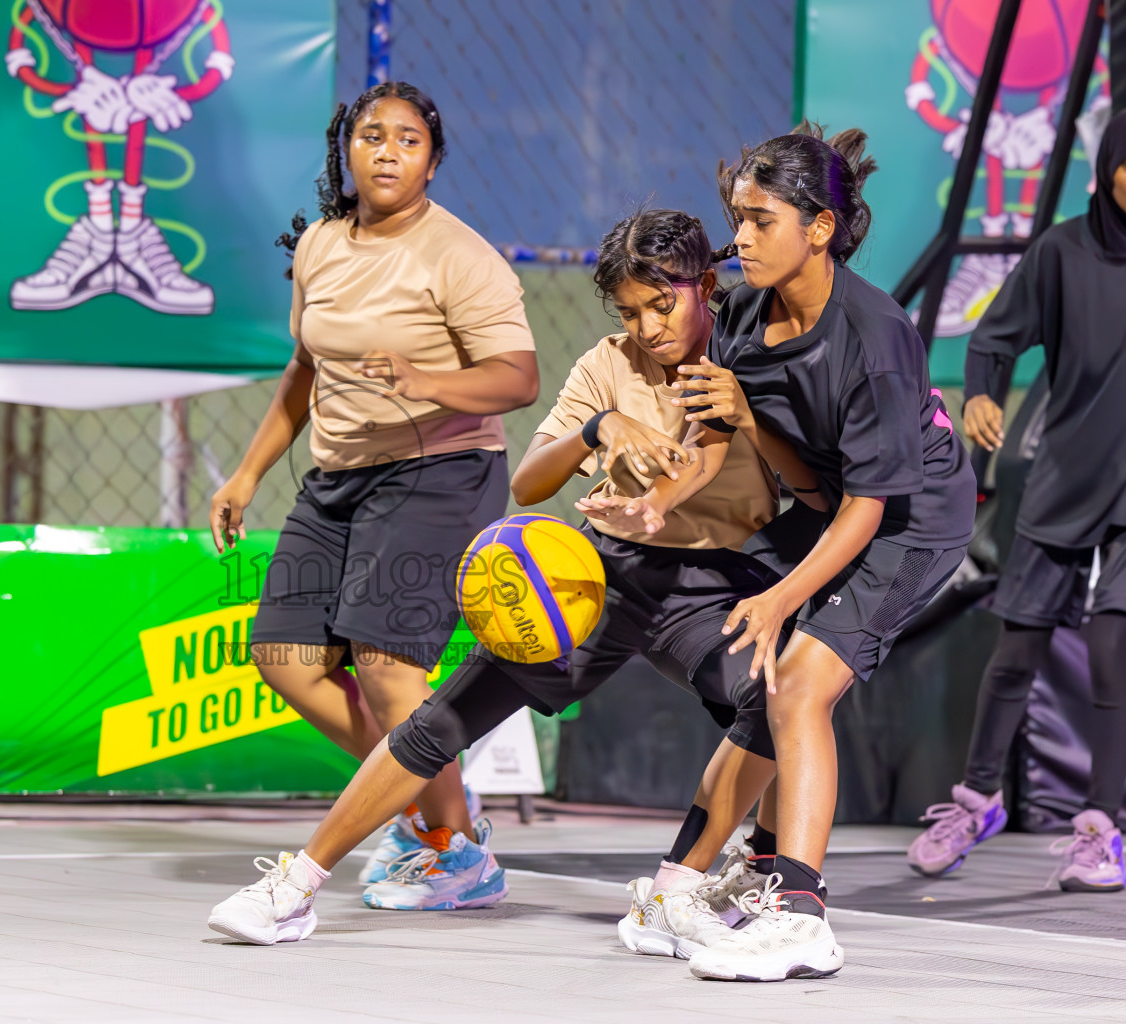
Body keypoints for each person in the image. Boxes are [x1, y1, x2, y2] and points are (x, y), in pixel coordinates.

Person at [207, 208, 825, 954]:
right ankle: (295, 885)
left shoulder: (748, 361)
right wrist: (597, 430)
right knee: (439, 721)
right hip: (601, 578)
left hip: (713, 584)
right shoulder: (607, 363)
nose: (649, 326)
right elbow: (531, 483)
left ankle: (694, 885)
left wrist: (710, 457)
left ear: (705, 284)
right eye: (631, 311)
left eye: (662, 304)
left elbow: (778, 479)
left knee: (779, 694)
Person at [207, 81, 540, 910]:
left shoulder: (459, 255)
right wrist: (246, 474)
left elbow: (520, 378)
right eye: (371, 136)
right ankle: (418, 800)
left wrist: (426, 378)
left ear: (431, 162)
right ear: (345, 149)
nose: (387, 151)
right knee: (284, 658)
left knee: (391, 668)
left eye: (408, 140)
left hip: (442, 468)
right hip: (339, 475)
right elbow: (303, 368)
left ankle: (456, 849)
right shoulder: (321, 243)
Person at [669, 124, 977, 981]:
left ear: (820, 228)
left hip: (913, 520)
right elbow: (792, 472)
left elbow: (868, 509)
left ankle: (800, 917)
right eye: (737, 217)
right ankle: (684, 887)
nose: (740, 237)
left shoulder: (875, 339)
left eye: (761, 220)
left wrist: (775, 601)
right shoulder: (737, 314)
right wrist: (656, 494)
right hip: (825, 500)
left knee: (799, 680)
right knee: (765, 691)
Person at [906, 107, 1126, 892]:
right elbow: (993, 338)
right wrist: (980, 396)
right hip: (1061, 477)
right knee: (1017, 653)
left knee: (1113, 650)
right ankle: (976, 803)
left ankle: (1099, 832)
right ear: (1108, 166)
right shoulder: (1064, 250)